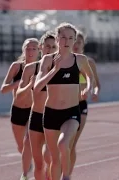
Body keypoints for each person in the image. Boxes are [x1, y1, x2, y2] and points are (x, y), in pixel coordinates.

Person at [34, 22, 95, 180]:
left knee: (63, 145)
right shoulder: (47, 60)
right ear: (56, 39)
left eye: (70, 38)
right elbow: (37, 86)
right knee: (54, 159)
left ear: (75, 40)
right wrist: (55, 69)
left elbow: (90, 77)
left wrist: (88, 88)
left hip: (71, 112)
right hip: (51, 114)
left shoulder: (80, 60)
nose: (66, 41)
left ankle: (66, 176)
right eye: (63, 37)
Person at [16, 31, 57, 180]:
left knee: (50, 158)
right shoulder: (30, 69)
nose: (50, 50)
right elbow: (19, 95)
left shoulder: (60, 69)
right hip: (36, 117)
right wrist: (29, 86)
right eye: (47, 46)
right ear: (41, 47)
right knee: (39, 164)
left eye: (53, 47)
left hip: (54, 117)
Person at [0, 38, 39, 180]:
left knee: (27, 143)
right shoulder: (16, 67)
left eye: (34, 48)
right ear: (23, 50)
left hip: (33, 110)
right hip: (17, 110)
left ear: (39, 51)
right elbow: (3, 89)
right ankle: (28, 164)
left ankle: (26, 175)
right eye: (28, 48)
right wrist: (17, 83)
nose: (30, 51)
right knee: (20, 147)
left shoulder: (41, 67)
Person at [70, 30, 101, 175]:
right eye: (74, 41)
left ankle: (66, 175)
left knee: (71, 144)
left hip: (80, 106)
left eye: (79, 42)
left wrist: (94, 92)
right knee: (60, 145)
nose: (76, 44)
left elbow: (96, 84)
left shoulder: (89, 62)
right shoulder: (65, 61)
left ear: (83, 44)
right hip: (62, 105)